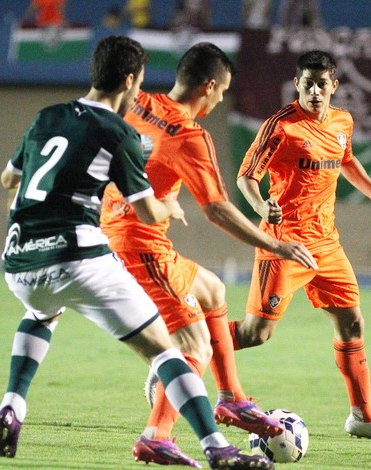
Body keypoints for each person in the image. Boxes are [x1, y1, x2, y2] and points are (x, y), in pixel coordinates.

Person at [0, 35, 274, 470]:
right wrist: (172, 206)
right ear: (128, 80)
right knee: (170, 351)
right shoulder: (123, 131)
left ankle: (12, 404)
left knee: (44, 313)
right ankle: (208, 446)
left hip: (20, 259)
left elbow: (10, 179)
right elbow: (153, 208)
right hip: (92, 255)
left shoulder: (49, 116)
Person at [100, 42, 318, 465]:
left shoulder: (138, 102)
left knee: (214, 292)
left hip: (115, 232)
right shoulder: (189, 135)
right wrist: (276, 243)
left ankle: (231, 398)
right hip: (140, 247)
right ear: (210, 86)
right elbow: (217, 209)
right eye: (222, 93)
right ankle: (156, 435)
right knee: (194, 344)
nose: (220, 101)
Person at [231, 50, 371, 441]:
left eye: (321, 84)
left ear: (334, 87)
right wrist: (263, 206)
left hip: (327, 244)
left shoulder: (343, 121)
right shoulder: (280, 127)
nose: (314, 91)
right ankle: (178, 357)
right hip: (283, 244)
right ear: (296, 85)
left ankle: (362, 417)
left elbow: (346, 160)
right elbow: (247, 178)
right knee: (254, 334)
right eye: (307, 83)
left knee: (352, 323)